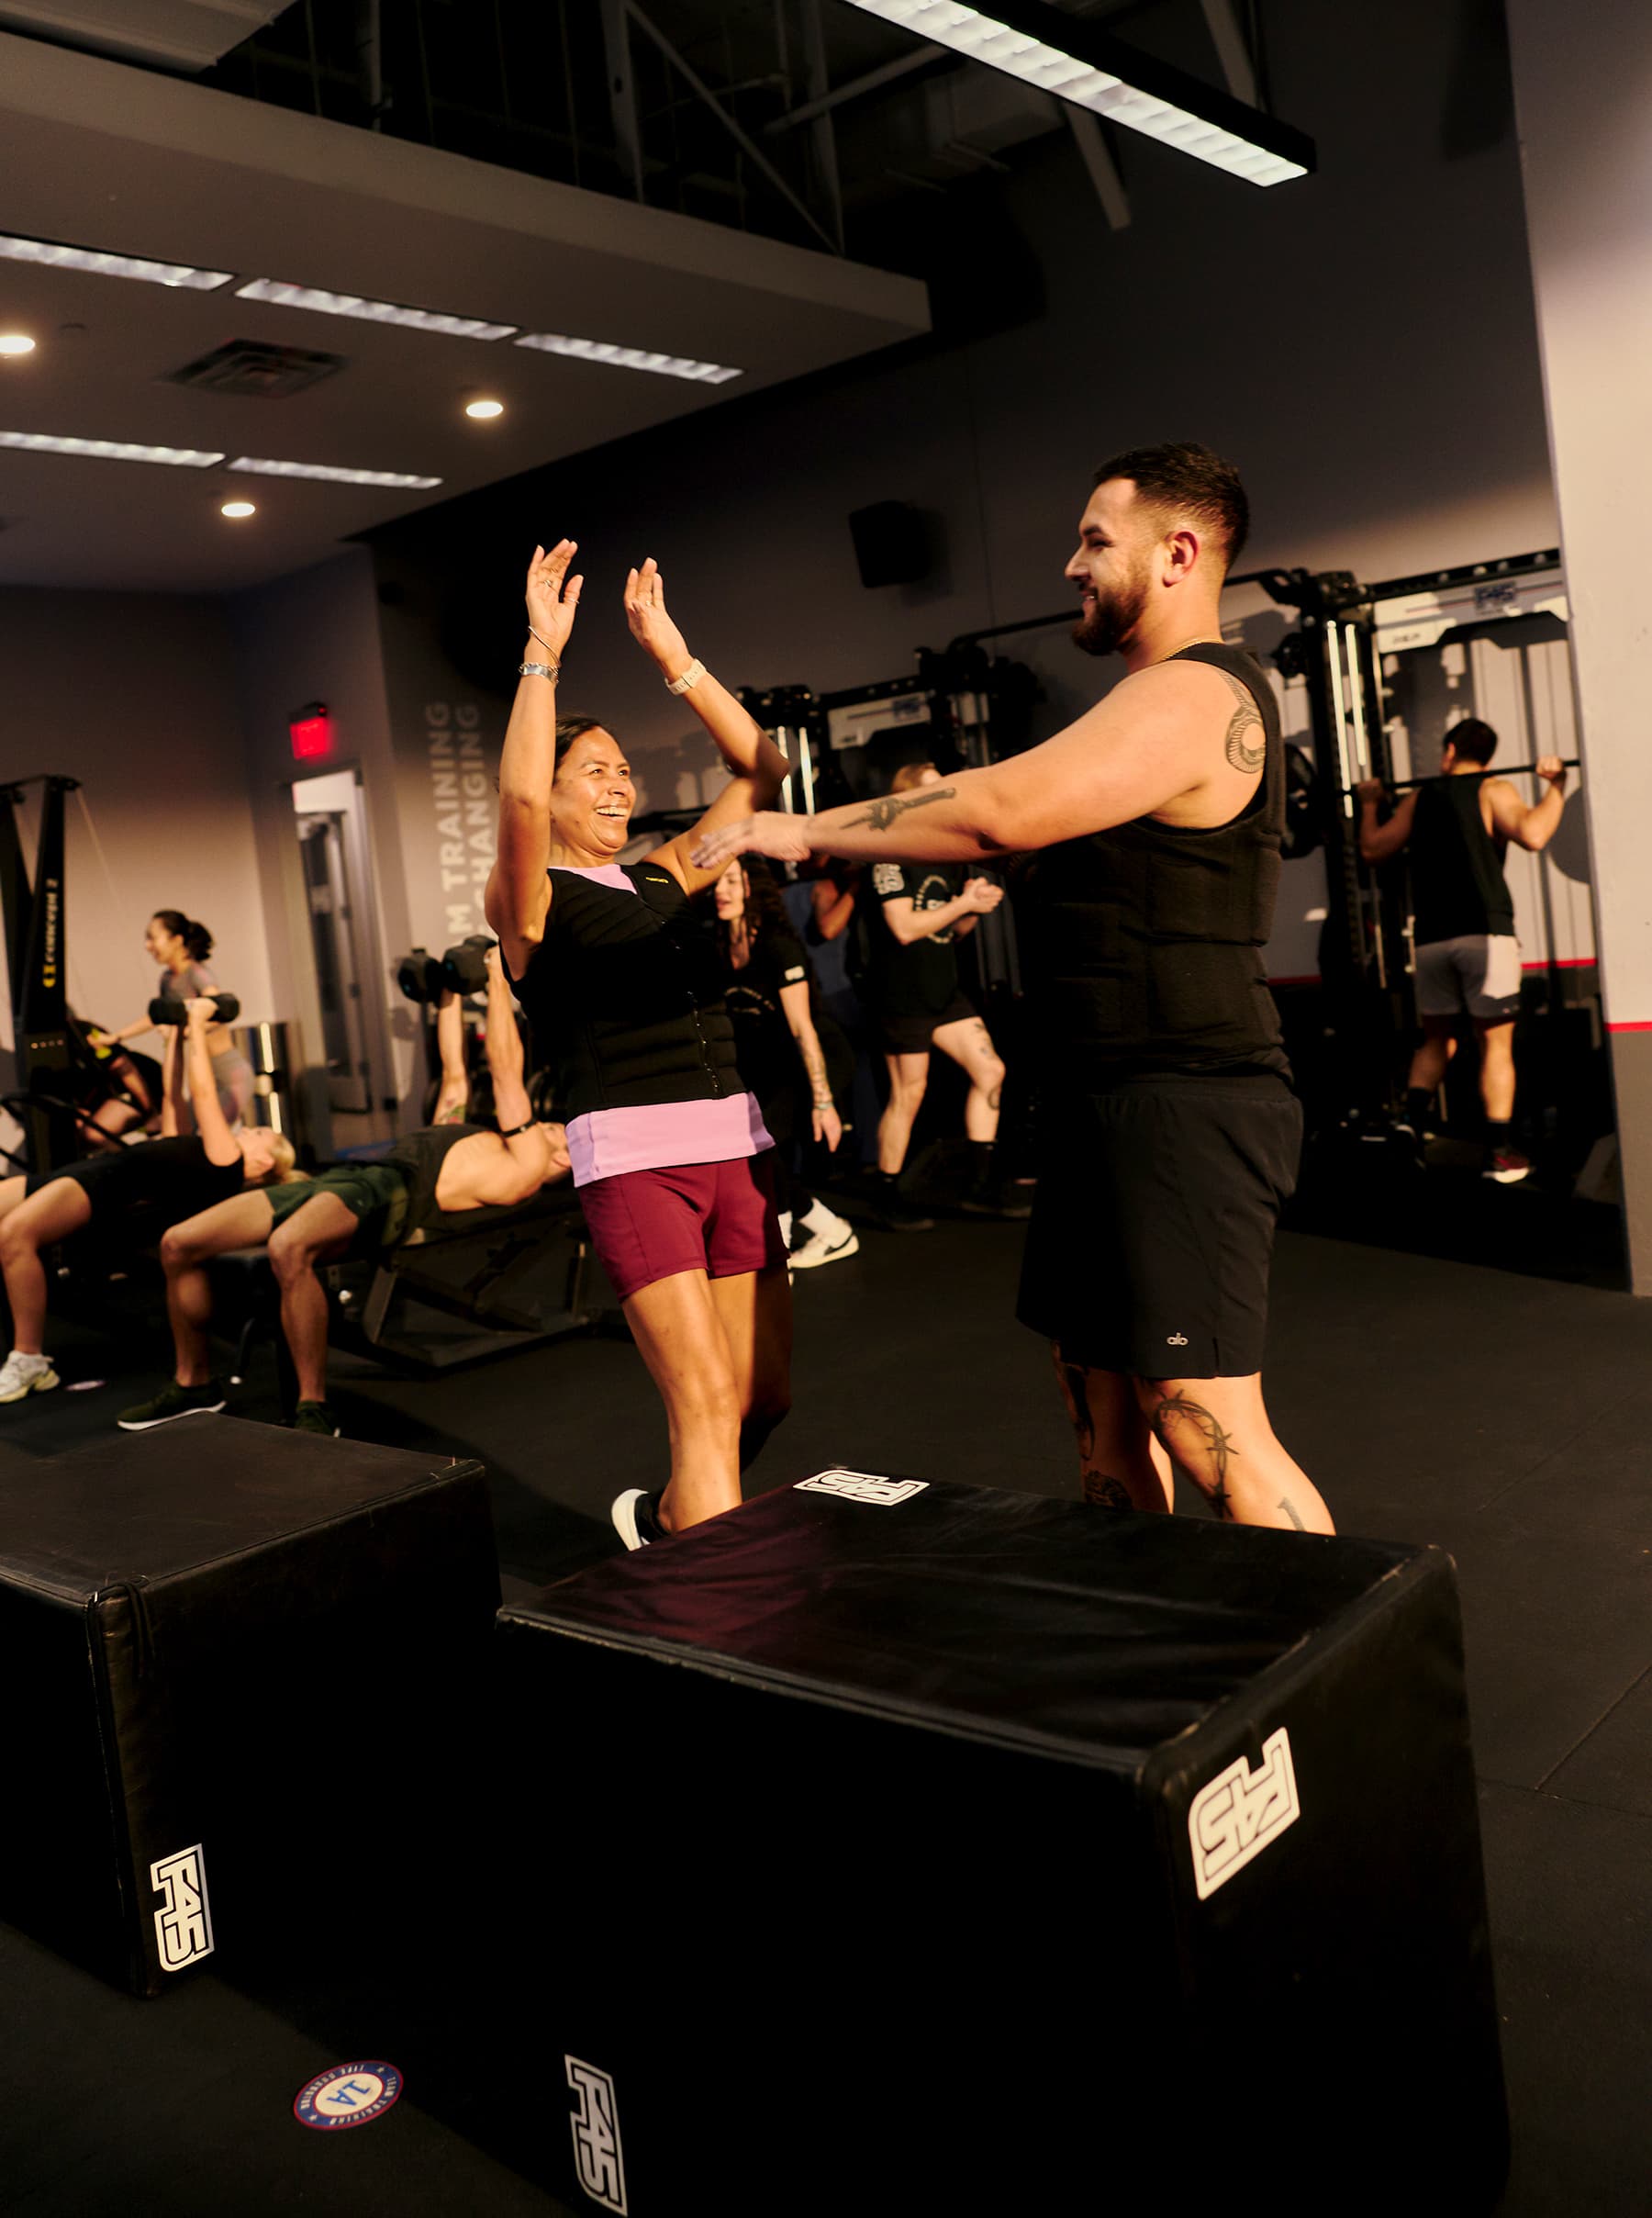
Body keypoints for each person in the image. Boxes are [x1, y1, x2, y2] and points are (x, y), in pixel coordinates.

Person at [695, 442, 1334, 1535]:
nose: (1072, 565)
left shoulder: (1195, 692)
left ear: (1180, 553)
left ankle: (1329, 1693)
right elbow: (996, 821)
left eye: (1095, 540)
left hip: (1186, 1095)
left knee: (1198, 1413)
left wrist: (796, 827)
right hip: (1097, 1093)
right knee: (1099, 1402)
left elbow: (996, 811)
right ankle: (1159, 1635)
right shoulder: (1137, 709)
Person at [486, 541, 794, 1550]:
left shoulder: (665, 875)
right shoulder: (532, 901)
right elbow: (521, 803)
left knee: (759, 1403)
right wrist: (544, 652)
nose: (617, 787)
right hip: (635, 1160)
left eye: (624, 771)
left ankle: (668, 1521)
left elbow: (763, 768)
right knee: (704, 1410)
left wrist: (676, 656)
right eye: (594, 774)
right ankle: (730, 1639)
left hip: (734, 1148)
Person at [117, 947, 567, 1437]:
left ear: (562, 1160)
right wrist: (448, 995)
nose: (549, 1124)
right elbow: (455, 1074)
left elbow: (505, 1071)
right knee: (177, 1242)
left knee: (288, 1248)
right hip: (348, 1180)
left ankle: (313, 1406)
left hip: (392, 1192)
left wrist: (498, 981)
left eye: (557, 1130)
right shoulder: (481, 1139)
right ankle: (195, 1383)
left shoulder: (523, 1167)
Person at [0, 999, 299, 1405]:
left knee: (14, 1236)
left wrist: (195, 1023)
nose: (249, 1128)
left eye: (260, 1132)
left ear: (263, 1161)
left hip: (104, 1186)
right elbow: (173, 1098)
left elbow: (204, 1093)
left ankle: (30, 1359)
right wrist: (175, 1037)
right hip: (87, 1175)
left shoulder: (225, 1164)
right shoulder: (202, 1152)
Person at [1356, 720, 1570, 1183]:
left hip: (1431, 941)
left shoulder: (1420, 797)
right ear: (1488, 757)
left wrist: (1370, 804)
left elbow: (1373, 849)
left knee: (1437, 1038)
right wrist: (1557, 786)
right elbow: (1533, 834)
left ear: (1450, 751)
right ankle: (1499, 1154)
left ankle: (1410, 1124)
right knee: (1496, 1044)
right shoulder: (1494, 789)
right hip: (1484, 936)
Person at [713, 857, 859, 1271]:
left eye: (731, 881)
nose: (720, 891)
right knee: (757, 1154)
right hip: (773, 1063)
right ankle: (831, 1230)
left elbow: (803, 1029)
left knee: (764, 1149)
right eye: (717, 882)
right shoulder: (722, 944)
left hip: (817, 1055)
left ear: (751, 887)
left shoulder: (778, 946)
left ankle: (778, 1257)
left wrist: (824, 1102)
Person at [93, 910, 255, 1126]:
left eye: (152, 938)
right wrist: (116, 1037)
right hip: (204, 1074)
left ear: (177, 940)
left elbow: (218, 1013)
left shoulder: (198, 974)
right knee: (177, 1126)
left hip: (230, 1076)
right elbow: (157, 1017)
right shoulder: (167, 979)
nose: (148, 946)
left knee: (208, 1134)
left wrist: (186, 1030)